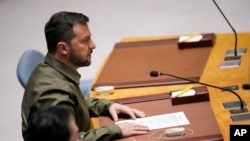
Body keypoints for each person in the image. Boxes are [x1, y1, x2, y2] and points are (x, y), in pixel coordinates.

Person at [21, 11, 149, 141]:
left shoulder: (54, 71)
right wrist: (116, 130)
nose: (93, 45)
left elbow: (74, 102)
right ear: (63, 48)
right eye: (85, 40)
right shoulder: (54, 91)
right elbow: (72, 139)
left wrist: (107, 106)